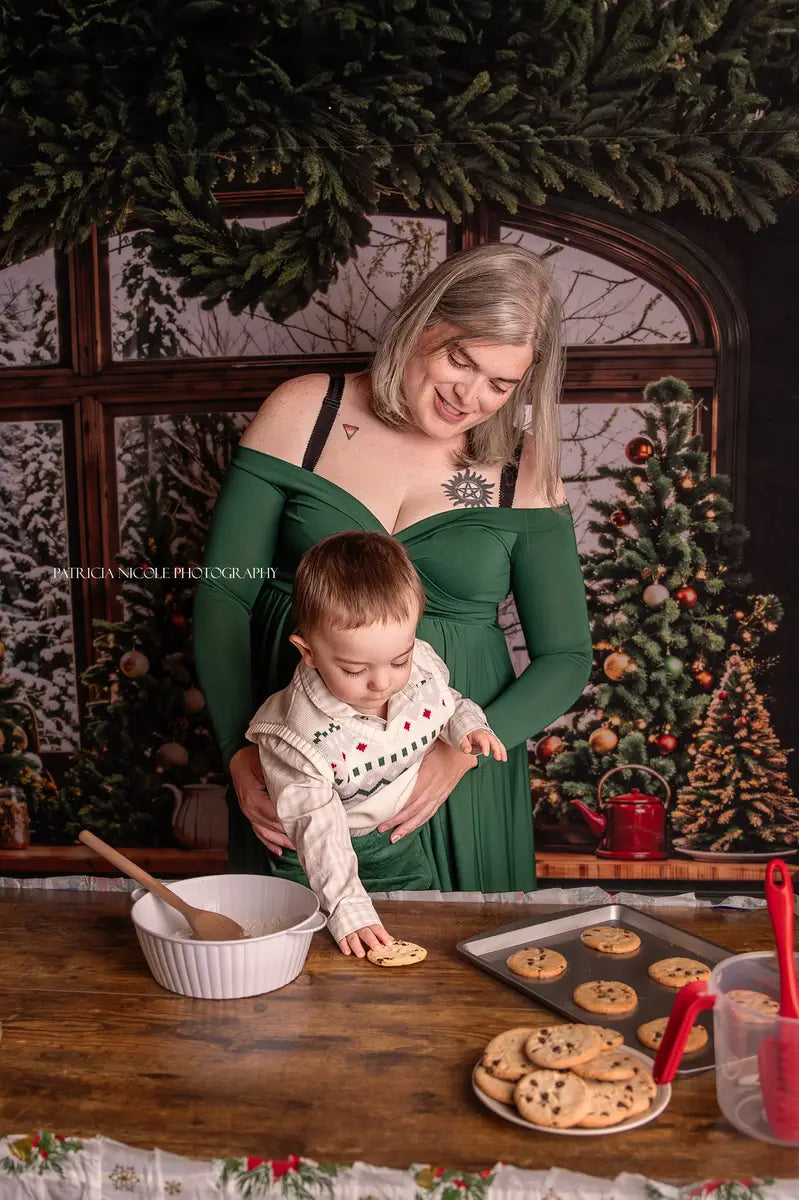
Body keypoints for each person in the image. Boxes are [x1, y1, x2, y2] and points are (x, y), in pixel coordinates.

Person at [193, 240, 592, 893]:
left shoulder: (523, 470)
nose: (469, 397)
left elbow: (565, 656)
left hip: (451, 771)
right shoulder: (308, 414)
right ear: (419, 323)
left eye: (500, 383)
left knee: (459, 979)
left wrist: (460, 752)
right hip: (301, 760)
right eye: (459, 361)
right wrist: (238, 753)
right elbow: (223, 598)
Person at [245, 530, 506, 957]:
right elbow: (318, 829)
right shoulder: (298, 735)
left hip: (394, 843)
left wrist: (466, 728)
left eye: (397, 660)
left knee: (417, 929)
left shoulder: (417, 664)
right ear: (308, 652)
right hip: (309, 854)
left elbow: (446, 701)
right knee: (311, 953)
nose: (382, 682)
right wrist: (347, 905)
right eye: (353, 669)